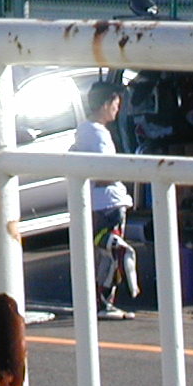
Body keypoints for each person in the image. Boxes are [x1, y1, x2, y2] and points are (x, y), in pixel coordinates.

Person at [75, 77, 139, 320]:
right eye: (115, 104)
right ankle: (105, 302)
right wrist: (122, 172)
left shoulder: (84, 130)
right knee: (109, 258)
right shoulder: (99, 135)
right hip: (110, 202)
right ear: (104, 104)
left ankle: (102, 302)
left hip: (95, 201)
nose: (117, 109)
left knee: (102, 255)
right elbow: (102, 172)